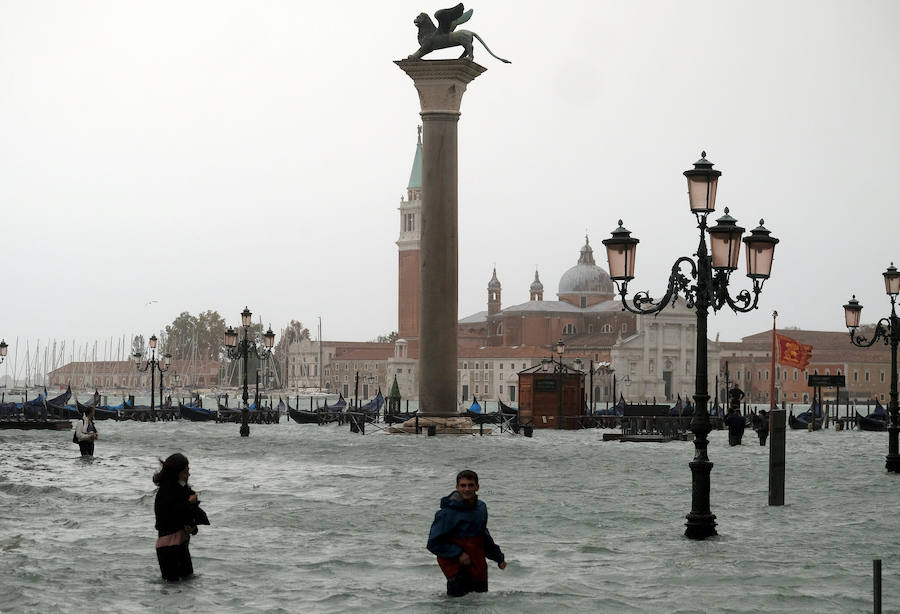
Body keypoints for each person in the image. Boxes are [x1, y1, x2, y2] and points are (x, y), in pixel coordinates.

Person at [427, 469, 506, 597]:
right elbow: (433, 543)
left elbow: (483, 536)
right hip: (457, 569)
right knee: (458, 607)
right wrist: (458, 554)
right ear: (457, 487)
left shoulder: (481, 508)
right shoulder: (446, 513)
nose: (467, 489)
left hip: (478, 567)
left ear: (477, 487)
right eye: (463, 485)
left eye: (470, 485)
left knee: (479, 606)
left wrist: (498, 557)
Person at [153, 453, 209, 582]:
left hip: (181, 543)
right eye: (186, 470)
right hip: (168, 547)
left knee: (188, 582)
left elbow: (189, 517)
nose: (189, 474)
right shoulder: (165, 492)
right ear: (177, 472)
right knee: (173, 586)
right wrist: (190, 503)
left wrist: (193, 528)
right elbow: (168, 517)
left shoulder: (182, 488)